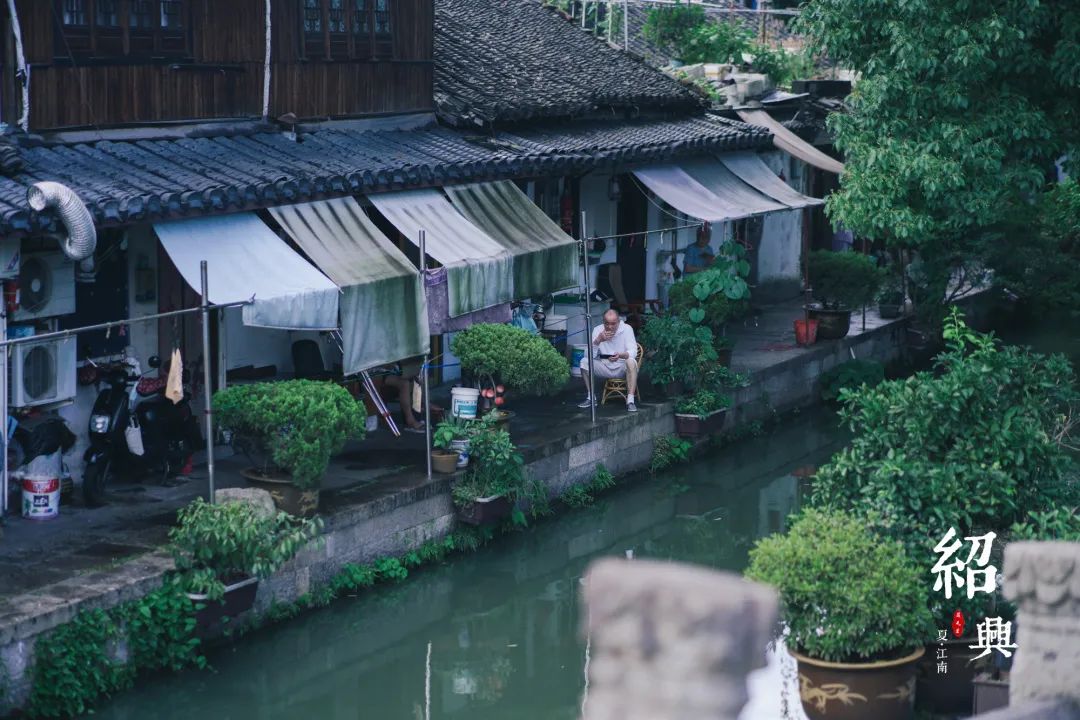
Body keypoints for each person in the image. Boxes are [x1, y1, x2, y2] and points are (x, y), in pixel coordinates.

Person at [578, 309, 638, 412]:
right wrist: (598, 341)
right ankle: (591, 397)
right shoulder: (598, 330)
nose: (610, 327)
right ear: (603, 322)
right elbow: (588, 355)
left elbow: (633, 351)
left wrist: (620, 355)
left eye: (613, 324)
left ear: (618, 322)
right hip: (604, 366)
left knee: (631, 361)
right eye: (607, 323)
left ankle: (630, 400)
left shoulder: (627, 329)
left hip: (622, 367)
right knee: (584, 361)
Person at [370, 357, 425, 432]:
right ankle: (410, 420)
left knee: (416, 380)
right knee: (404, 383)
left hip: (390, 371)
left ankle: (416, 416)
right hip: (375, 372)